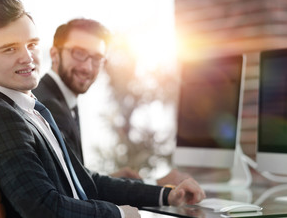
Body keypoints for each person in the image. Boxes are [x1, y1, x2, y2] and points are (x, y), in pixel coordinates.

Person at [0, 0, 205, 218]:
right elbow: (42, 209)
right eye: (10, 48)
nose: (27, 57)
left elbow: (84, 182)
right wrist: (119, 215)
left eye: (32, 44)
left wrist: (165, 195)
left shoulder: (30, 110)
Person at [33, 18, 193, 185]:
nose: (87, 67)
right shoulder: (49, 106)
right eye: (78, 53)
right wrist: (157, 185)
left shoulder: (61, 99)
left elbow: (75, 180)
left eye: (97, 58)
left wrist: (114, 180)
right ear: (54, 54)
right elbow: (76, 190)